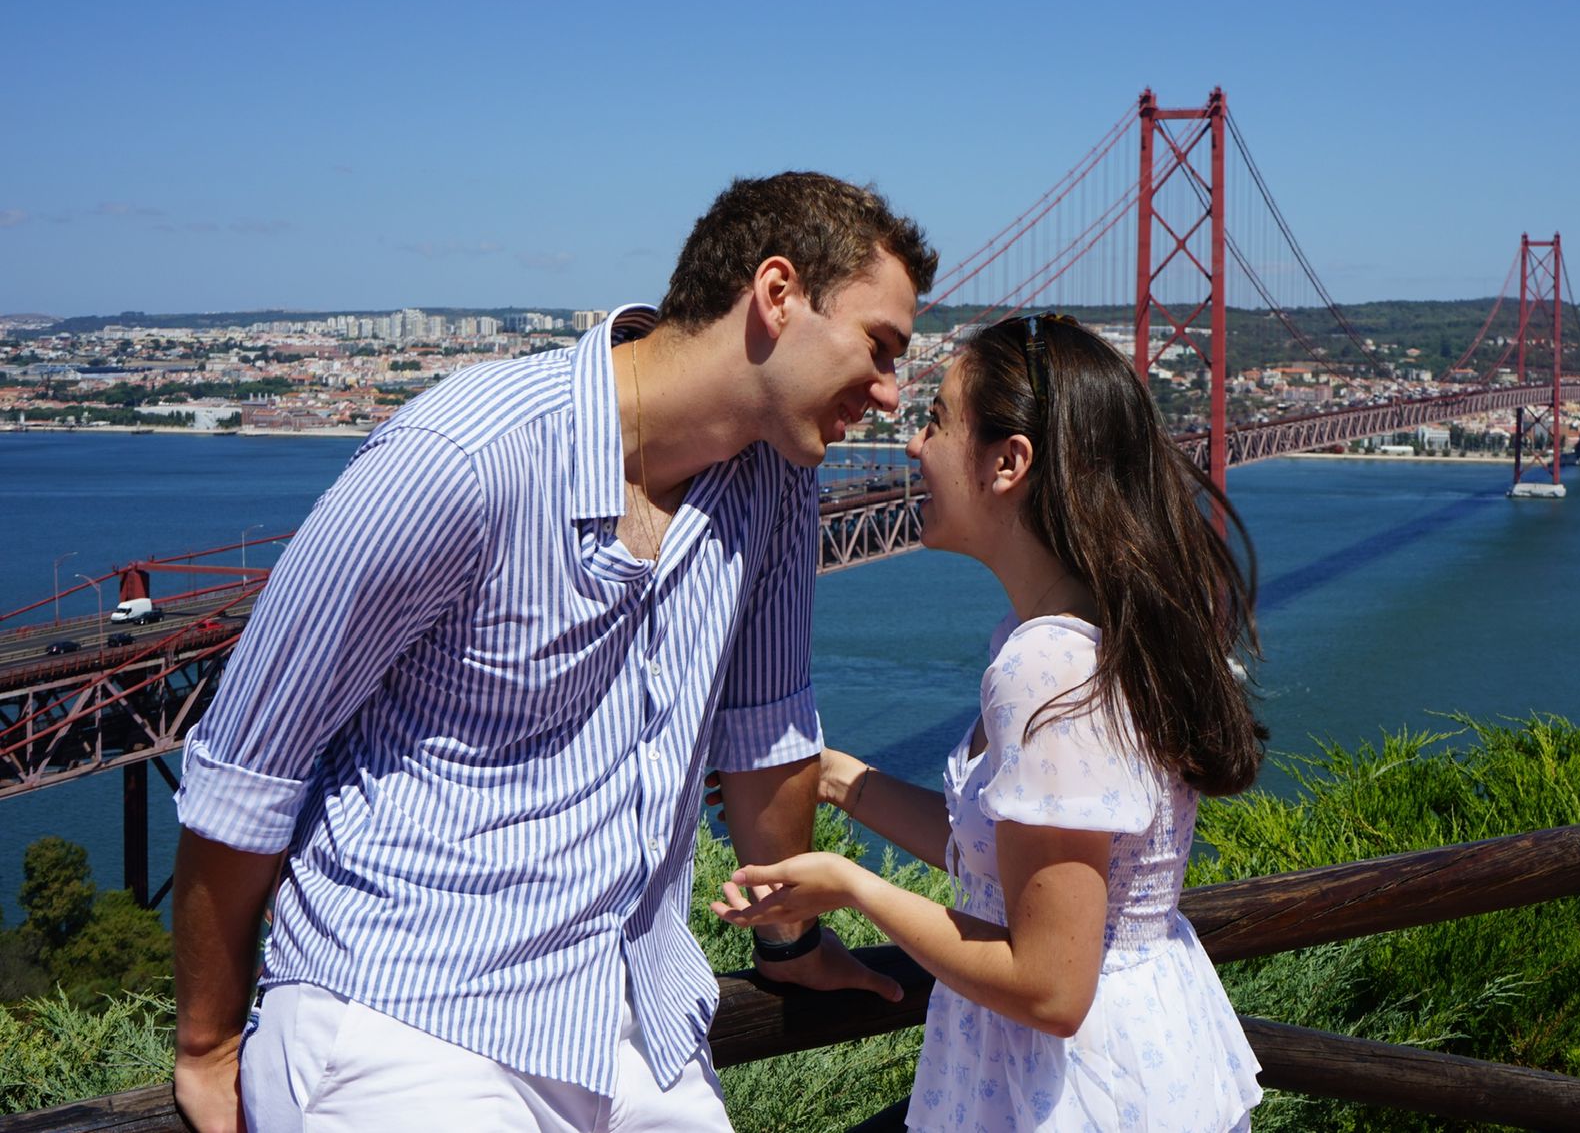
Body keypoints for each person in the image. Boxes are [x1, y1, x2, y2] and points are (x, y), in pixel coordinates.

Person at [171, 172, 939, 1133]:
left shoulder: (779, 484)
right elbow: (249, 763)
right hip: (406, 1015)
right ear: (776, 295)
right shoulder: (460, 459)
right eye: (880, 348)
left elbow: (765, 734)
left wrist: (790, 947)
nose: (890, 392)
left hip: (640, 1024)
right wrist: (206, 1042)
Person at [711, 313, 1269, 1131]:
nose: (913, 446)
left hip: (1076, 1094)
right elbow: (1011, 863)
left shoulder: (1046, 667)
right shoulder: (1084, 635)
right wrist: (836, 779)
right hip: (1137, 1068)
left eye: (936, 421)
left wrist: (853, 886)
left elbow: (1049, 984)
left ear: (1009, 463)